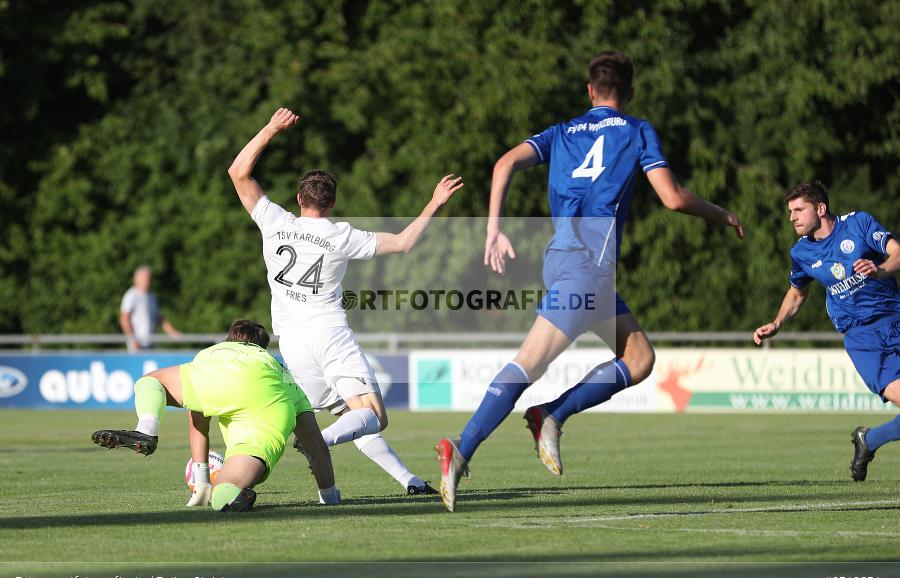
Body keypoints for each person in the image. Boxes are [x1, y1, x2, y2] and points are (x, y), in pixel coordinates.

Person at [435, 50, 744, 511]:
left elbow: (503, 164)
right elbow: (673, 198)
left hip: (563, 259)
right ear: (630, 92)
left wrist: (493, 228)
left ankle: (551, 414)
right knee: (530, 362)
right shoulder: (636, 130)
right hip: (588, 267)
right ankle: (463, 446)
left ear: (589, 90)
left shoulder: (561, 132)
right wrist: (722, 214)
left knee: (639, 358)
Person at [228, 108, 463, 496]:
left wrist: (271, 128)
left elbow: (238, 172)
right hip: (329, 335)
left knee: (352, 415)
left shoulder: (276, 222)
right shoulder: (341, 235)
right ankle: (316, 441)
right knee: (373, 415)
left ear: (299, 198)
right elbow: (404, 242)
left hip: (293, 344)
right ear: (333, 203)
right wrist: (435, 202)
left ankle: (409, 481)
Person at [91, 319, 338, 511]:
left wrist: (201, 483)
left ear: (230, 339)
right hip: (267, 406)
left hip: (216, 380)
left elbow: (198, 424)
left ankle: (146, 429)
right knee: (224, 494)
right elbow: (316, 447)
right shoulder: (280, 370)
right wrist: (330, 497)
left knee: (150, 381)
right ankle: (233, 494)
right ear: (262, 347)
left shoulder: (214, 353)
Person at [753, 181, 900, 481]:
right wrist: (777, 322)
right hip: (864, 338)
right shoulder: (801, 253)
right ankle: (869, 440)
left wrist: (881, 269)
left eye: (798, 210)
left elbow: (897, 251)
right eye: (790, 211)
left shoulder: (858, 224)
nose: (792, 217)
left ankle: (869, 440)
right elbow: (797, 293)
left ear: (820, 208)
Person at [119, 265, 181, 351]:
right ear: (137, 279)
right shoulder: (131, 295)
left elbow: (159, 318)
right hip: (137, 344)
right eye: (145, 279)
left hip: (151, 343)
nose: (148, 282)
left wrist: (172, 332)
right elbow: (124, 319)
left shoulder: (152, 297)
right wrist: (132, 339)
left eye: (149, 279)